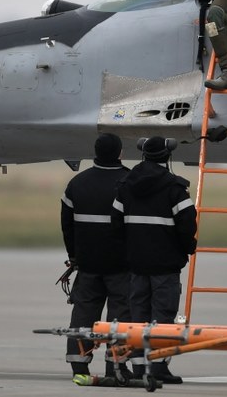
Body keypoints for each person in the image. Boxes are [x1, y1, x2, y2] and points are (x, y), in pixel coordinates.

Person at [112, 136, 197, 384]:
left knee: (138, 313)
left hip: (136, 264)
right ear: (166, 156)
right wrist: (187, 249)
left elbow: (115, 224)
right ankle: (158, 366)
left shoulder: (126, 186)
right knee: (163, 314)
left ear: (144, 155)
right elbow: (187, 225)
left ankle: (139, 366)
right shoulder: (175, 189)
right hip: (166, 266)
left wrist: (128, 250)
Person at [61, 133, 132, 385]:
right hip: (121, 264)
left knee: (83, 313)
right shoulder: (128, 181)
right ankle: (116, 366)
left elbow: (66, 225)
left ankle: (78, 363)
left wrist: (74, 256)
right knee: (120, 315)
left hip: (87, 264)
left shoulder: (77, 183)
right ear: (120, 153)